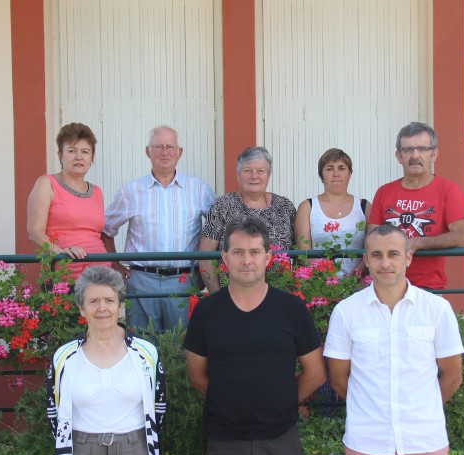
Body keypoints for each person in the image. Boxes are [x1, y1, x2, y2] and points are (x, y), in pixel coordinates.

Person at [184, 216, 326, 455]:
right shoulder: (207, 312)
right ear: (224, 258)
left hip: (279, 440)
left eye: (254, 251)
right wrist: (230, 399)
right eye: (237, 252)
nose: (246, 259)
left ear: (268, 256)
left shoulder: (291, 309)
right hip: (225, 441)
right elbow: (196, 374)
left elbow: (315, 372)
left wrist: (281, 402)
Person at [324, 225, 464, 455]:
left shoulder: (436, 310)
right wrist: (372, 409)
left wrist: (422, 407)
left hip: (424, 439)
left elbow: (452, 376)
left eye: (393, 254)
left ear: (408, 258)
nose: (385, 262)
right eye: (377, 255)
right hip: (368, 441)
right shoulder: (346, 313)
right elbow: (338, 380)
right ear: (366, 260)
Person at [47, 265, 166, 455]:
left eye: (110, 300)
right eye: (94, 301)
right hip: (82, 452)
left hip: (134, 450)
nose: (103, 308)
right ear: (81, 309)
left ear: (120, 307)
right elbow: (53, 411)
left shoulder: (145, 353)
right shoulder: (64, 357)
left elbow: (159, 407)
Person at [102, 125, 215, 332]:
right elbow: (106, 230)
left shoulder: (199, 189)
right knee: (143, 344)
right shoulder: (131, 191)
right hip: (142, 281)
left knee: (184, 346)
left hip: (185, 280)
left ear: (179, 153)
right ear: (148, 152)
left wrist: (205, 269)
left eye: (170, 147)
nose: (165, 152)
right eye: (159, 147)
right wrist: (115, 264)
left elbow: (218, 229)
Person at [366, 122, 464, 290]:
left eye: (422, 149)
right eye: (408, 150)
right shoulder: (384, 192)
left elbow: (461, 237)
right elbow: (372, 237)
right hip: (386, 287)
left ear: (434, 154)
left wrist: (417, 242)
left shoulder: (449, 190)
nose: (415, 155)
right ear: (399, 156)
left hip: (428, 288)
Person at [198, 147, 296, 294]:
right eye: (247, 171)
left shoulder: (285, 206)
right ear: (238, 175)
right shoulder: (222, 206)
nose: (254, 176)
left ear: (268, 175)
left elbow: (300, 252)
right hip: (233, 297)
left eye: (260, 171)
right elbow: (205, 256)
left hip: (280, 295)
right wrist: (217, 296)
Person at [27, 122, 107, 278]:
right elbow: (34, 231)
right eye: (72, 151)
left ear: (91, 158)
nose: (79, 157)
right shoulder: (47, 183)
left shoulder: (97, 191)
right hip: (65, 275)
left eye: (85, 151)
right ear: (60, 155)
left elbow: (99, 234)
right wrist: (59, 251)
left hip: (101, 274)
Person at [294, 148, 370, 277]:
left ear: (350, 173)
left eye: (341, 168)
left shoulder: (364, 207)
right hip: (318, 285)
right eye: (329, 169)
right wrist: (324, 279)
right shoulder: (307, 207)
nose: (336, 174)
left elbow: (371, 250)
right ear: (321, 175)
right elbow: (303, 254)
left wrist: (352, 278)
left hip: (357, 286)